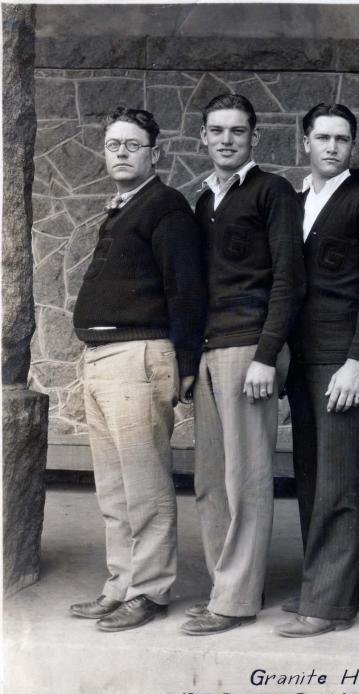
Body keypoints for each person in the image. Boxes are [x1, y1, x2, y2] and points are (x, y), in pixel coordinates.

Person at [69, 107, 206, 631]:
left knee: (144, 484)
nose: (121, 152)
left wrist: (186, 363)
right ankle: (120, 584)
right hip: (102, 359)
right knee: (113, 485)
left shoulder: (165, 206)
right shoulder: (123, 207)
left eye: (132, 144)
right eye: (113, 145)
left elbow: (185, 291)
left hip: (139, 357)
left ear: (156, 153)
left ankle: (149, 590)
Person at [183, 93, 305, 635]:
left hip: (248, 348)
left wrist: (266, 354)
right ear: (203, 138)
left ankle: (235, 600)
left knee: (246, 477)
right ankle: (223, 587)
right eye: (217, 130)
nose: (227, 139)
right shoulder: (202, 200)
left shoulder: (272, 191)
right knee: (210, 478)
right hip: (210, 349)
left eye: (238, 130)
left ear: (254, 137)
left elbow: (289, 278)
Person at [277, 103, 359, 637]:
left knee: (339, 479)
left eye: (342, 139)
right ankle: (331, 584)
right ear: (306, 141)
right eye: (322, 137)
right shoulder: (296, 202)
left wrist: (356, 361)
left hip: (339, 357)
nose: (331, 147)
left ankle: (328, 606)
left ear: (353, 145)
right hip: (301, 357)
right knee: (310, 475)